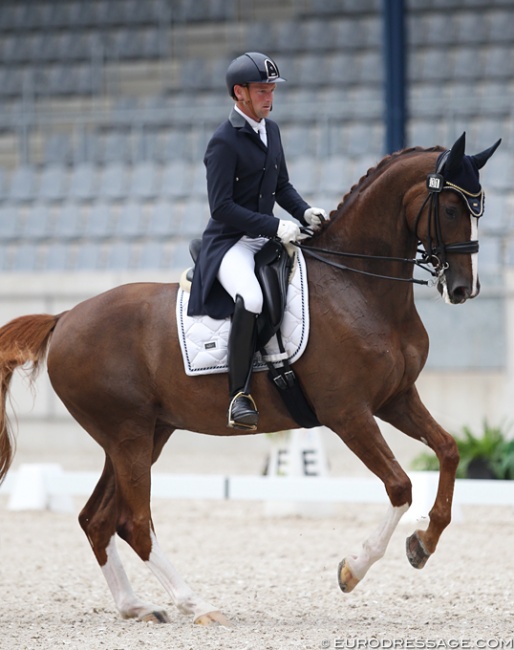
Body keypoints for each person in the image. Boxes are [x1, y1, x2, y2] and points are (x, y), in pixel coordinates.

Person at [187, 51, 328, 431]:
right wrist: (274, 226)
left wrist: (303, 212)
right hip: (230, 242)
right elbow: (222, 208)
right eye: (262, 90)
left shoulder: (273, 130)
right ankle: (239, 394)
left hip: (264, 236)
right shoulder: (223, 142)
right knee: (250, 297)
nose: (269, 97)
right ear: (240, 93)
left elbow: (281, 185)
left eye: (271, 90)